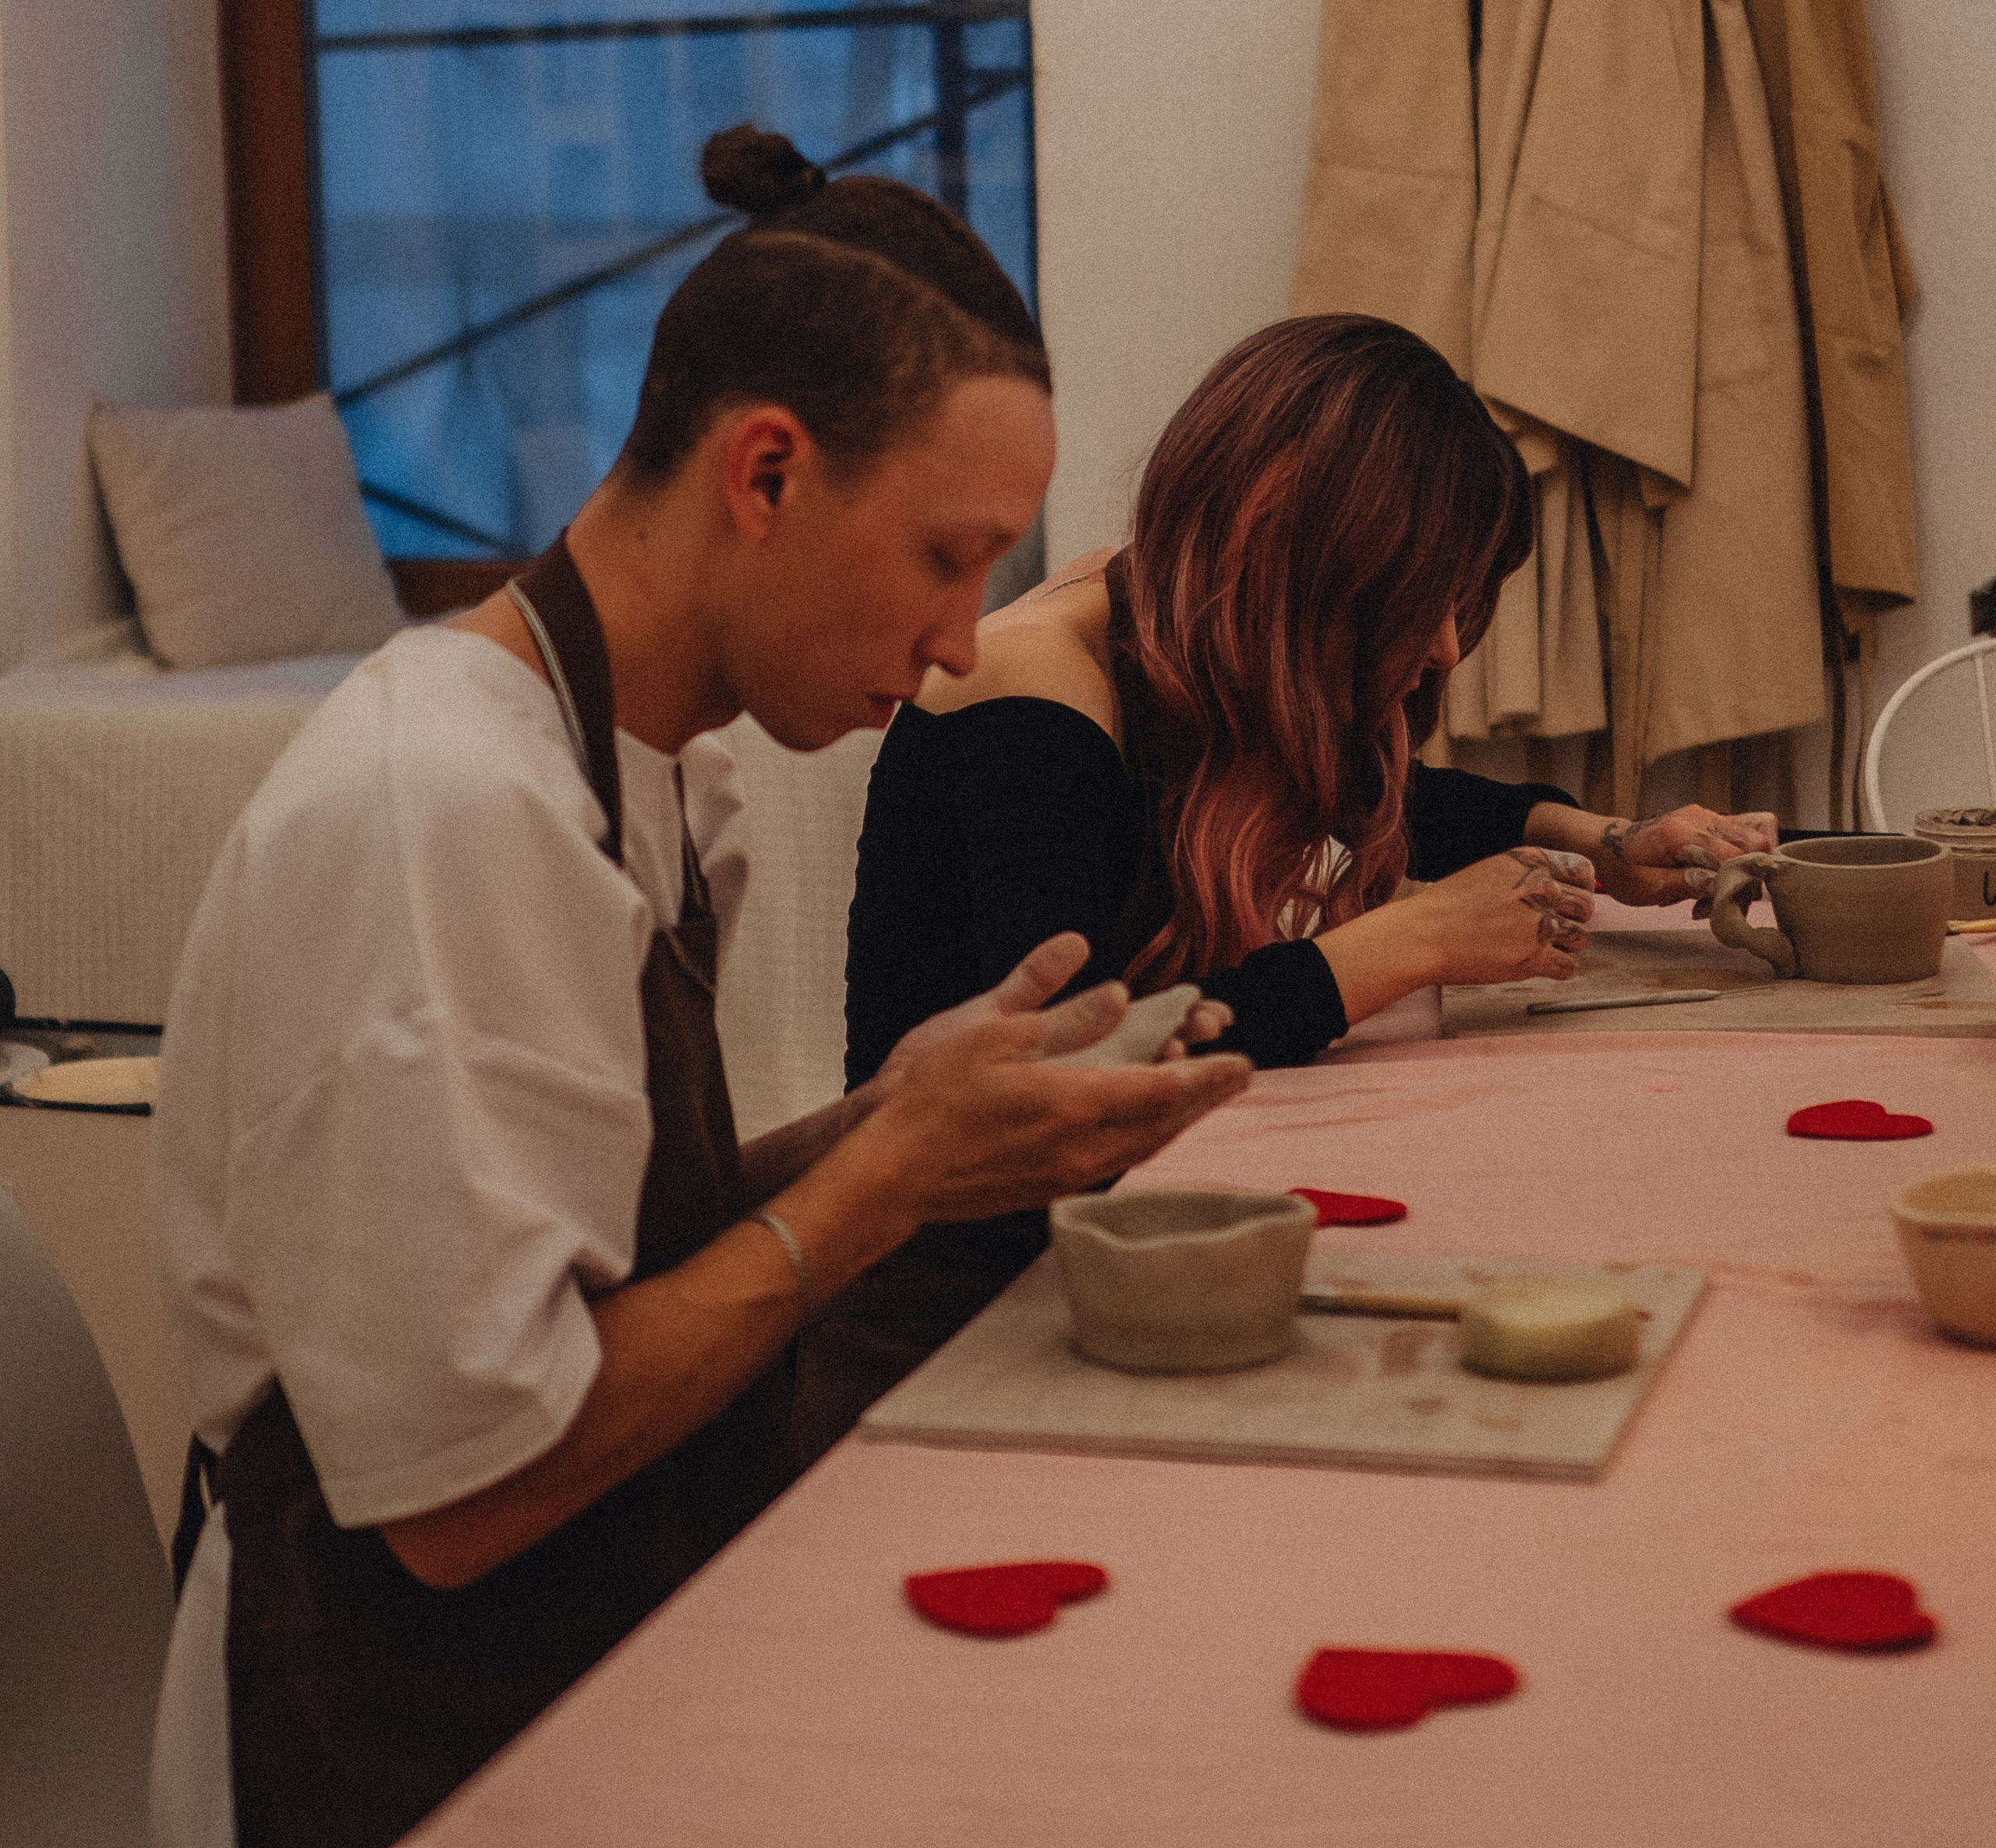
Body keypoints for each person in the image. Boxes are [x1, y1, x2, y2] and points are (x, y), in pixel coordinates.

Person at [148, 128, 1250, 1848]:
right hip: (387, 1720)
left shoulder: (662, 773)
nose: (965, 639)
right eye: (945, 557)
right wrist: (890, 1185)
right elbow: (463, 1491)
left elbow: (584, 1249)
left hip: (583, 1633)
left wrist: (879, 1121)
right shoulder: (446, 805)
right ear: (766, 473)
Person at [798, 313, 1778, 1449]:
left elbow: (1368, 787)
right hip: (953, 1308)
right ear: (1309, 562)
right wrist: (1410, 943)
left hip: (1113, 1252)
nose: (1446, 649)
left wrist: (1604, 843)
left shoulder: (1174, 608)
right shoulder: (1033, 702)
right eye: (1424, 602)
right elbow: (1093, 1063)